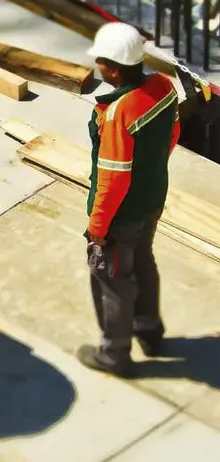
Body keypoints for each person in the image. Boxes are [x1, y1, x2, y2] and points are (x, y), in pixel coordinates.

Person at [76, 22, 181, 377]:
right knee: (143, 262)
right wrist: (151, 176)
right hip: (151, 200)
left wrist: (98, 227)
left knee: (112, 277)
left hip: (121, 215)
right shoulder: (164, 88)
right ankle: (150, 332)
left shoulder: (120, 110)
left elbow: (113, 177)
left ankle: (114, 354)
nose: (98, 67)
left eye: (101, 62)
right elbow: (173, 133)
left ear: (114, 68)